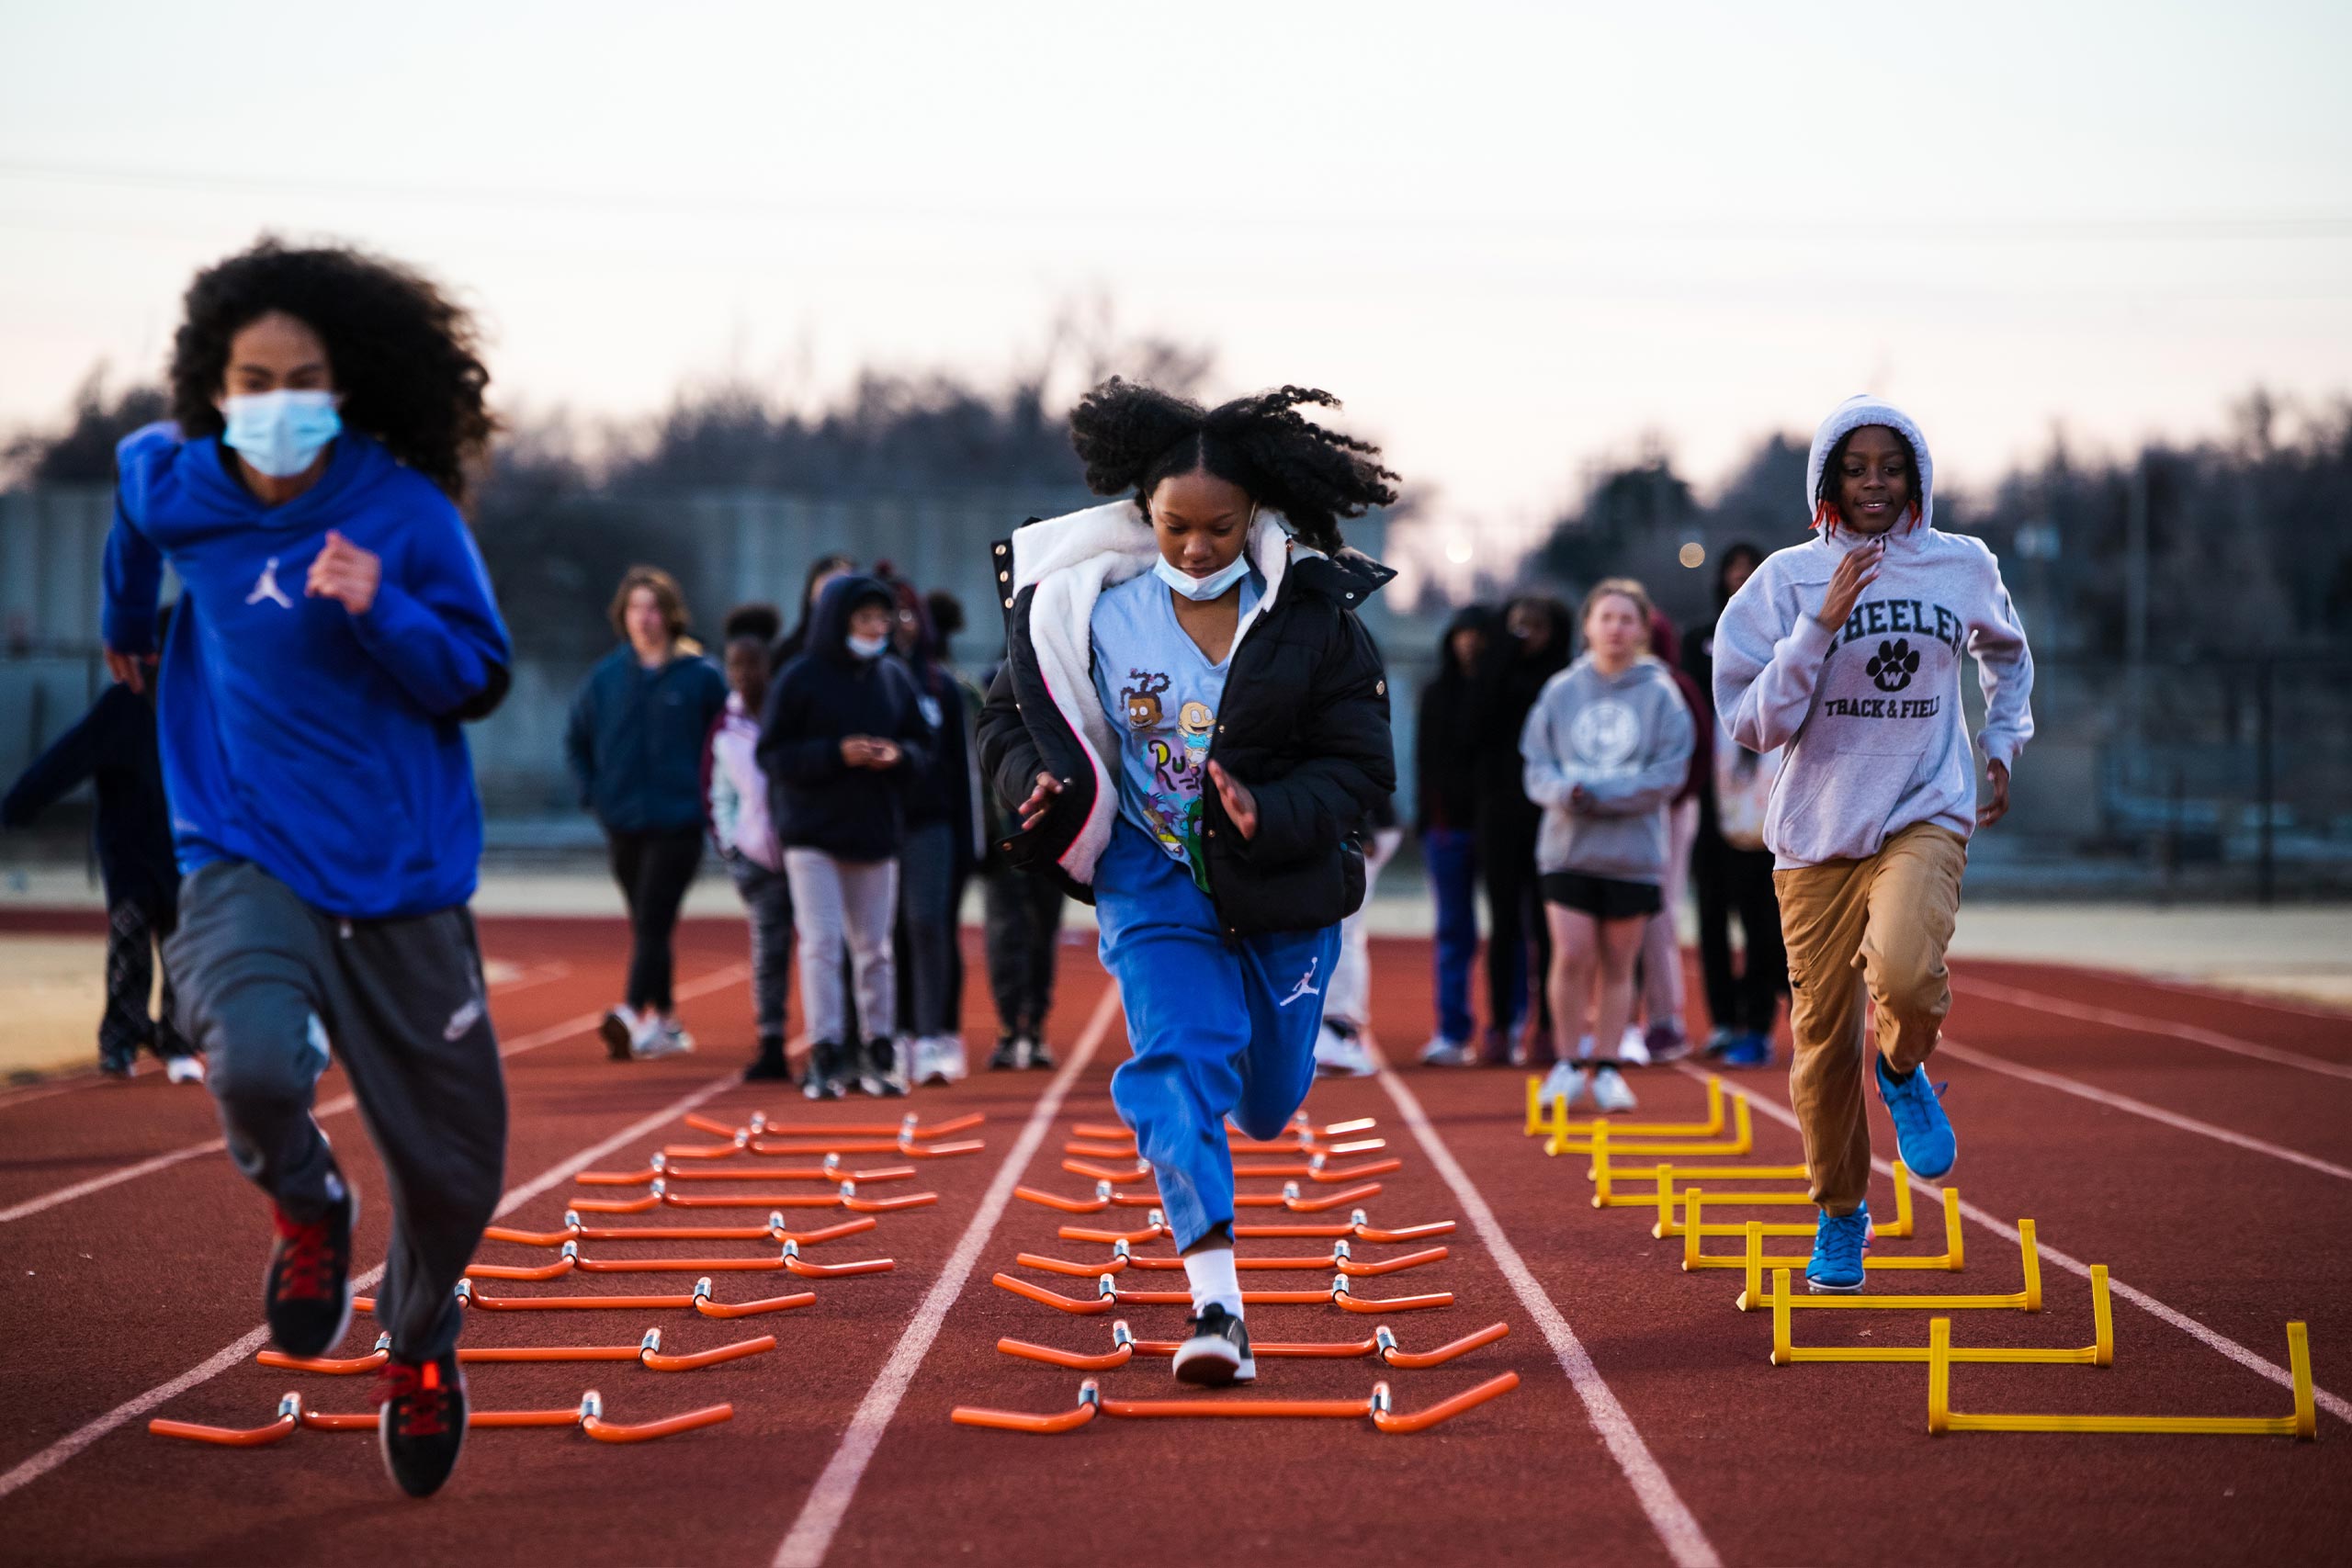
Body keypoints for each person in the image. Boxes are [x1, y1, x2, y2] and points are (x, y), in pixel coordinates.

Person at [101, 238, 512, 1497]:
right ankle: (308, 1202)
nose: (276, 398)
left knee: (455, 1174)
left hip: (396, 871)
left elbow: (478, 676)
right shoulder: (179, 482)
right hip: (240, 847)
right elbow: (132, 504)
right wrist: (126, 623)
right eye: (253, 375)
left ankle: (422, 1339)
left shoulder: (404, 513)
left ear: (349, 383)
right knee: (257, 1062)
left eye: (304, 374)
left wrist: (382, 604)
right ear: (213, 386)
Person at [978, 378, 1396, 1387]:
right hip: (1149, 874)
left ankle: (1254, 1108)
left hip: (1279, 888)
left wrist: (1272, 812)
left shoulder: (1312, 619)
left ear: (1253, 517)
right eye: (1175, 528)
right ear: (1144, 515)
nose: (1196, 549)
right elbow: (1002, 722)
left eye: (1217, 529)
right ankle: (1217, 1307)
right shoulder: (1081, 613)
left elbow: (1360, 769)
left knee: (1264, 1100)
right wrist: (1030, 784)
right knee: (1174, 1064)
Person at [1713, 394, 2033, 1292]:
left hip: (1922, 808)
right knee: (1818, 1047)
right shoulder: (1784, 582)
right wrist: (1818, 627)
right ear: (1826, 480)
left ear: (1916, 476)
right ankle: (1840, 1212)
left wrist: (2000, 742)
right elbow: (1750, 720)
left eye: (1889, 467)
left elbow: (2007, 655)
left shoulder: (1959, 564)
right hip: (1816, 834)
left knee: (1902, 973)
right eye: (1854, 469)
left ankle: (1902, 1068)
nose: (1873, 484)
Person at [3, 617, 203, 1084]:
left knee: (183, 951)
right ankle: (120, 1040)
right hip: (129, 849)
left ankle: (176, 1040)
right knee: (130, 944)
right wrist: (17, 806)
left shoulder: (200, 711)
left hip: (183, 855)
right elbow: (68, 759)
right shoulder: (123, 706)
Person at [1521, 580, 1695, 1114]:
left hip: (1633, 855)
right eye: (1606, 618)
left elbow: (1668, 775)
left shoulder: (1662, 694)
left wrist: (1600, 793)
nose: (1616, 628)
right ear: (1588, 626)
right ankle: (1570, 1062)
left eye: (1627, 619)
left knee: (1620, 965)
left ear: (1643, 629)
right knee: (1571, 955)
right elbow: (1536, 765)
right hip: (1568, 849)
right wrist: (1565, 792)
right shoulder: (1560, 691)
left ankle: (1610, 1066)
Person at [759, 574, 933, 1099]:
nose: (876, 628)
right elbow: (773, 755)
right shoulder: (799, 677)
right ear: (838, 621)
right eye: (864, 619)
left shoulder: (894, 677)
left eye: (882, 619)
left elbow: (924, 749)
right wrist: (836, 754)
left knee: (875, 948)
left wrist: (898, 756)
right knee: (821, 944)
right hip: (812, 834)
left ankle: (879, 1047)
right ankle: (826, 1050)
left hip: (875, 831)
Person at [566, 566, 729, 1061]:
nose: (646, 618)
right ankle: (668, 1021)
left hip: (679, 820)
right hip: (623, 820)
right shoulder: (607, 677)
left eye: (654, 608)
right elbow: (577, 740)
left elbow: (726, 742)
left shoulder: (702, 676)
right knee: (647, 925)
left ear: (671, 615)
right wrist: (594, 795)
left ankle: (632, 1011)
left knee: (654, 917)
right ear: (623, 615)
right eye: (637, 607)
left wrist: (712, 804)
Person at [1684, 542, 1787, 1066]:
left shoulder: (1787, 643)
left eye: (1752, 573)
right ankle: (1726, 1020)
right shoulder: (1699, 643)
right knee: (1711, 920)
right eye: (1734, 571)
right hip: (1714, 807)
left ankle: (1759, 1021)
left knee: (1765, 926)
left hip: (1772, 812)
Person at [1471, 594, 1572, 1066]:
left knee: (1549, 929)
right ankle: (1499, 1025)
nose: (1526, 633)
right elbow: (1476, 725)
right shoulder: (1494, 673)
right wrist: (1504, 653)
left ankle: (1548, 1027)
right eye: (1517, 624)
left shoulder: (1563, 681)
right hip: (1499, 814)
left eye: (1536, 624)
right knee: (1504, 923)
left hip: (1551, 815)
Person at [884, 578, 977, 1087]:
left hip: (934, 825)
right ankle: (895, 1036)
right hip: (879, 824)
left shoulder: (941, 685)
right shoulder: (867, 681)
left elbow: (963, 773)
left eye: (907, 614)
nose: (899, 625)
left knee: (928, 925)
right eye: (888, 615)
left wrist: (973, 843)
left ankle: (936, 1035)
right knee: (887, 933)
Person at [1621, 605, 1712, 1066]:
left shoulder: (1676, 687)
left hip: (1667, 814)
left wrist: (1669, 798)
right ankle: (1622, 1019)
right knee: (1618, 914)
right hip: (1623, 814)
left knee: (1658, 916)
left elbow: (1699, 753)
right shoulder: (1612, 687)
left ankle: (1665, 1019)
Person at [706, 603, 793, 1080]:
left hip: (803, 850)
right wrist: (732, 845)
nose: (742, 673)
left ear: (768, 667)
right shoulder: (728, 727)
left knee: (829, 949)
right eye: (734, 665)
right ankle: (772, 1041)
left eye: (750, 664)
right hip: (756, 860)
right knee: (768, 953)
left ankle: (837, 1042)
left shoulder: (790, 713)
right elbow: (721, 793)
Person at [1414, 605, 1495, 1066]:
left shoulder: (1500, 693)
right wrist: (1431, 819)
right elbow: (1425, 762)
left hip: (1497, 828)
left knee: (1513, 931)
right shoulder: (1435, 693)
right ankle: (1452, 1030)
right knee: (1452, 931)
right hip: (1448, 830)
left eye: (1477, 633)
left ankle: (1508, 1026)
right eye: (1461, 633)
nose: (1469, 642)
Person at [1316, 794, 1403, 1076]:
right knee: (1345, 930)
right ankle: (1342, 1029)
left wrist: (1362, 830)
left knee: (1342, 928)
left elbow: (1361, 766)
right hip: (1362, 825)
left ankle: (1340, 1030)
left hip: (1364, 827)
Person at [769, 553, 854, 675]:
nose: (835, 605)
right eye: (827, 595)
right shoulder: (790, 654)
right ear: (811, 597)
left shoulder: (874, 655)